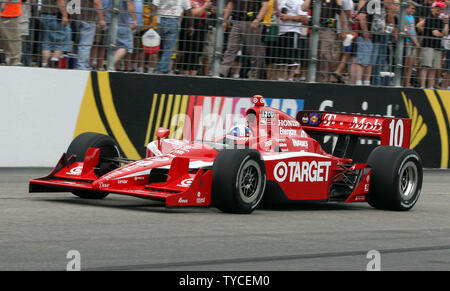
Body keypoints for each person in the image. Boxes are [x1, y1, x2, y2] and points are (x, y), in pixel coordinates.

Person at [219, 0, 270, 79]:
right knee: (231, 48)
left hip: (252, 21)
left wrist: (257, 19)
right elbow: (231, 3)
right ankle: (222, 73)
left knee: (254, 52)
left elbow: (266, 5)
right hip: (237, 20)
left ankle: (256, 77)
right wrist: (225, 20)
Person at [301, 0, 346, 83]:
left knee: (324, 53)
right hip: (315, 30)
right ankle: (313, 79)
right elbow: (303, 8)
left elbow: (341, 14)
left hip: (328, 30)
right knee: (314, 55)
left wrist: (343, 30)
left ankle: (323, 80)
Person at [153, 0, 192, 74]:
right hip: (173, 20)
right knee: (168, 49)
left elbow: (154, 5)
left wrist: (152, 21)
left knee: (159, 47)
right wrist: (191, 25)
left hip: (160, 20)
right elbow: (188, 10)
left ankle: (160, 68)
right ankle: (161, 70)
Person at [417, 1, 449, 88]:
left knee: (433, 68)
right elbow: (435, 33)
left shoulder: (441, 20)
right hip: (428, 45)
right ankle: (423, 86)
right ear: (432, 8)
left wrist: (446, 23)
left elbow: (445, 33)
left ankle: (430, 87)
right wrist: (441, 33)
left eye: (441, 8)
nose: (438, 10)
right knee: (425, 66)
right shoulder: (429, 18)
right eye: (437, 7)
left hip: (436, 46)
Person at [275, 0, 308, 81]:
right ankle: (280, 79)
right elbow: (277, 12)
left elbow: (304, 18)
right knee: (281, 59)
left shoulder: (299, 2)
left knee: (292, 59)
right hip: (280, 32)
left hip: (293, 32)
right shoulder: (281, 1)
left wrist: (289, 17)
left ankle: (290, 79)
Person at [178, 0, 213, 75]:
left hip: (201, 29)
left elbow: (211, 11)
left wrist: (205, 6)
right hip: (191, 29)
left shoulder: (203, 2)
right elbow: (194, 14)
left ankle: (193, 77)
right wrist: (205, 6)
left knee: (197, 55)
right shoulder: (191, 1)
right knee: (188, 54)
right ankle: (184, 76)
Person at [74, 0, 106, 70]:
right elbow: (97, 2)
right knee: (85, 45)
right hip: (88, 19)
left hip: (77, 17)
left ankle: (77, 65)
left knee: (79, 44)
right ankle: (82, 67)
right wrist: (101, 19)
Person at [105, 0, 137, 69]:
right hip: (121, 24)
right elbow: (130, 5)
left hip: (109, 21)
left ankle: (111, 67)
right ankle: (110, 64)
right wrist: (134, 20)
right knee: (126, 45)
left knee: (112, 47)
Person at [40, 0, 71, 68]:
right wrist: (65, 16)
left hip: (44, 14)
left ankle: (44, 65)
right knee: (61, 42)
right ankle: (54, 63)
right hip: (55, 15)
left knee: (46, 43)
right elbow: (60, 1)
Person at [0, 0, 23, 66]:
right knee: (14, 39)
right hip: (9, 13)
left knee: (11, 38)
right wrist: (5, 2)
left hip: (9, 13)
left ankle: (13, 60)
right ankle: (14, 61)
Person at [403, 2, 420, 87]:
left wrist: (416, 40)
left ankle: (407, 83)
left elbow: (413, 30)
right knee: (407, 64)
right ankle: (404, 83)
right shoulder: (404, 17)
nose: (413, 10)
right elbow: (406, 30)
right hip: (408, 41)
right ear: (407, 8)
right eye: (412, 8)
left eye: (414, 9)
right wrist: (414, 41)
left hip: (413, 42)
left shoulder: (412, 17)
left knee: (411, 65)